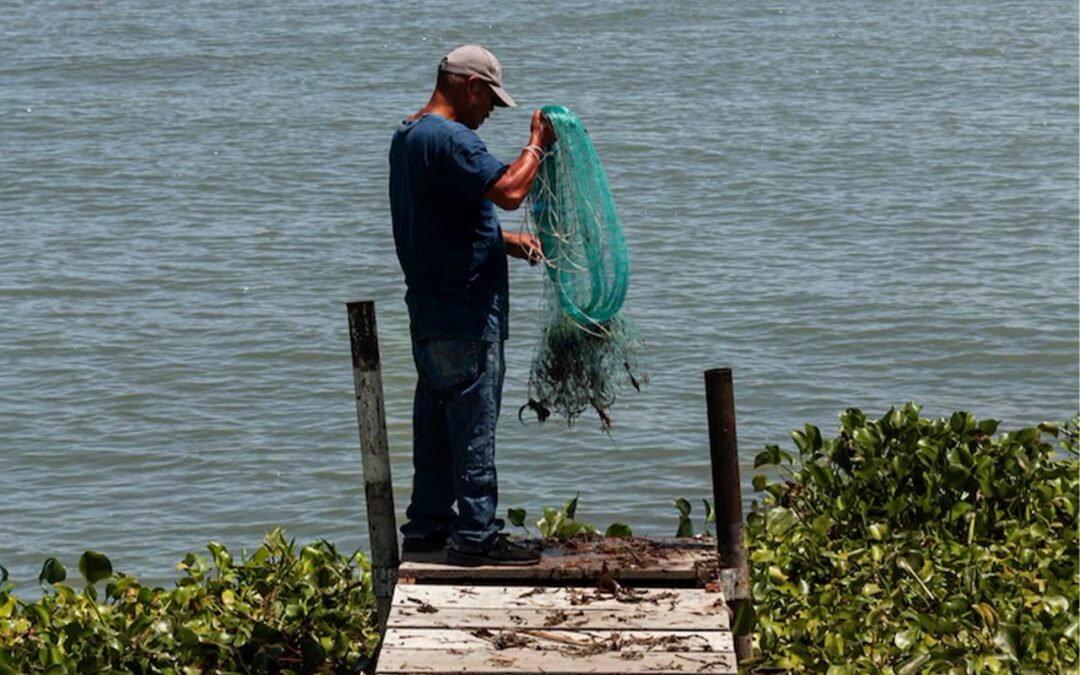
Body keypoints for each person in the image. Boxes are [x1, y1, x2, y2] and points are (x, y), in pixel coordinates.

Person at [388, 45, 556, 566]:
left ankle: (427, 529)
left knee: (436, 425)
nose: (489, 114)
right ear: (470, 85)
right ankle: (477, 536)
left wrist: (507, 242)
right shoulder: (453, 138)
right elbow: (507, 190)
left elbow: (443, 220)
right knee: (475, 424)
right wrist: (536, 145)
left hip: (429, 314)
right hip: (466, 314)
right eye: (490, 102)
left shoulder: (408, 135)